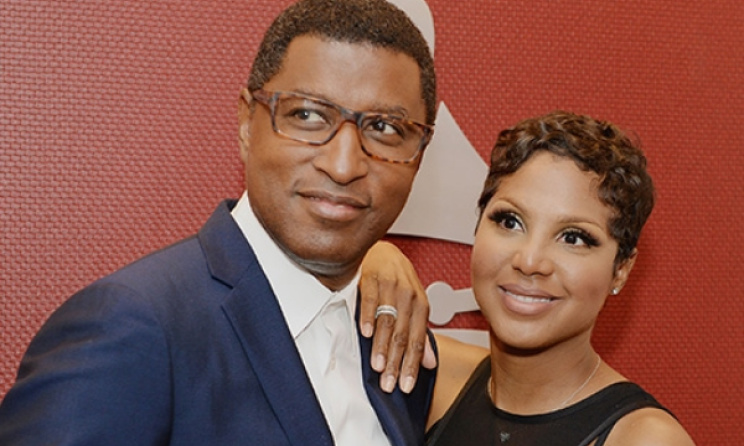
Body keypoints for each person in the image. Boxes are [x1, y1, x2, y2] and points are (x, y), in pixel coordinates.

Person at [0, 1, 439, 444]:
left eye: (384, 127)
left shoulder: (398, 346)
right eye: (307, 115)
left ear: (418, 155)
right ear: (248, 124)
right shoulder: (135, 326)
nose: (343, 165)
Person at [362, 111, 695, 445]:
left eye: (574, 238)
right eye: (510, 222)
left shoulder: (644, 438)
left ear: (621, 268)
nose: (530, 261)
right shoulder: (428, 373)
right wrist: (372, 257)